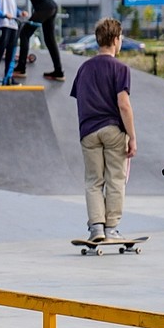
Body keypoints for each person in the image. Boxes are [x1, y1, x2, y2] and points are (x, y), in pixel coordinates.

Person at [70, 17, 137, 243]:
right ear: (116, 40)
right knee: (115, 180)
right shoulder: (121, 68)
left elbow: (80, 99)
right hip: (113, 130)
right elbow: (123, 104)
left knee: (93, 181)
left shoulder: (84, 68)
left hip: (88, 130)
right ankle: (111, 228)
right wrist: (132, 137)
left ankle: (96, 228)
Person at [13, 0, 64, 83]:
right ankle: (58, 72)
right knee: (50, 40)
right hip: (51, 7)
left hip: (44, 8)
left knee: (24, 34)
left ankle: (21, 68)